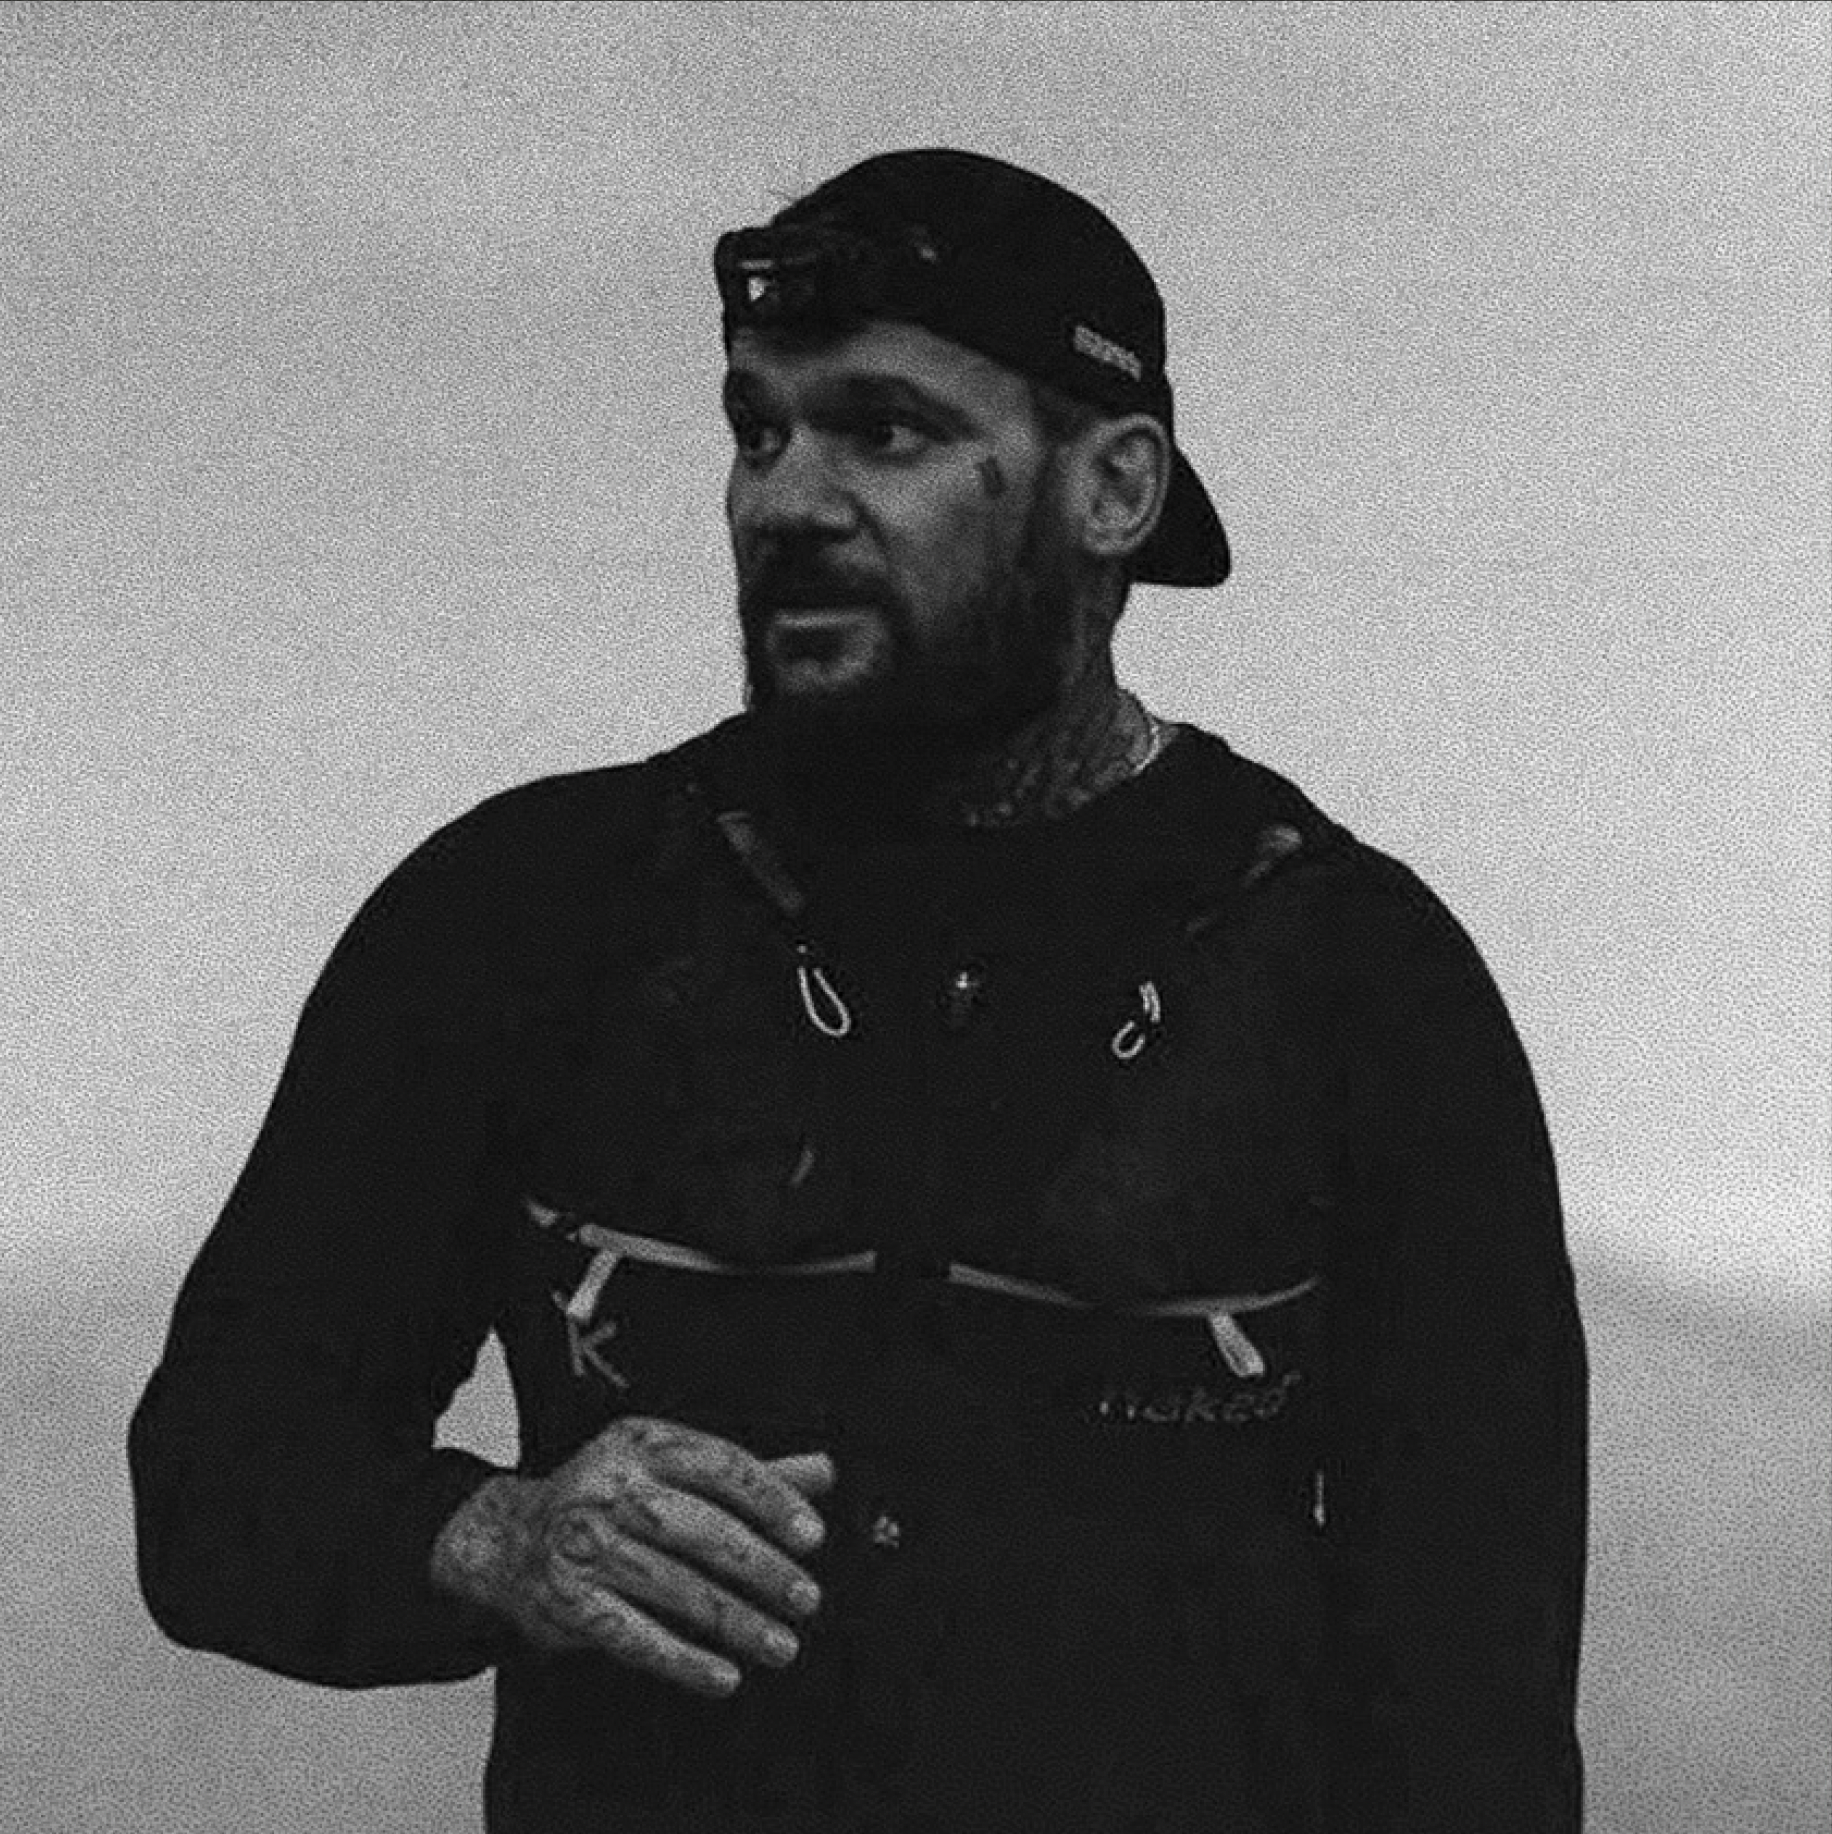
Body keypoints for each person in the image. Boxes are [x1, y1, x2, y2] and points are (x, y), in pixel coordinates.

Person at [129, 148, 1588, 1833]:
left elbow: (1473, 1718)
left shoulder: (1361, 983)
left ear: (1113, 488)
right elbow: (216, 1481)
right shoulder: (525, 917)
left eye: (883, 430)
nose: (785, 498)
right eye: (759, 428)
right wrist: (497, 1536)